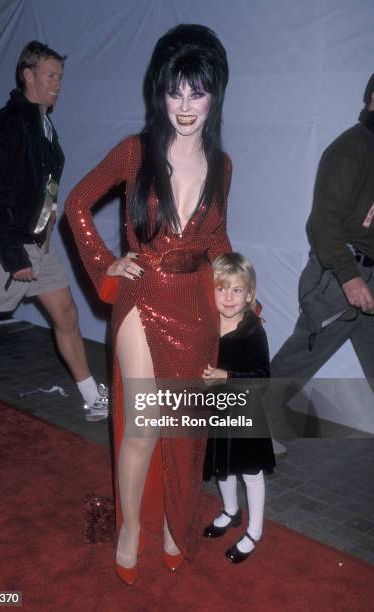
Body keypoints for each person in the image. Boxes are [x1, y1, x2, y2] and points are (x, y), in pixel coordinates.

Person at [65, 24, 231, 584]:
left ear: (215, 94)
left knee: (181, 428)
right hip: (143, 295)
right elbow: (77, 204)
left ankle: (171, 524)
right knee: (143, 426)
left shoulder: (222, 165)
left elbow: (217, 242)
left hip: (196, 305)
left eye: (197, 92)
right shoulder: (135, 152)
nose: (184, 106)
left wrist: (240, 300)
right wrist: (103, 262)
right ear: (159, 92)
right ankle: (130, 526)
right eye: (174, 91)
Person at [0, 42, 108, 424]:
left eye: (60, 77)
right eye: (51, 76)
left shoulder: (44, 125)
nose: (58, 84)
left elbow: (44, 190)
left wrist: (46, 232)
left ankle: (91, 396)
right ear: (29, 75)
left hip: (34, 245)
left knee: (66, 314)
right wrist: (14, 256)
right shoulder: (2, 125)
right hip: (2, 245)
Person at [270, 74, 374, 431]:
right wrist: (350, 278)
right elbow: (322, 223)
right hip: (340, 278)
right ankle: (245, 431)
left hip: (367, 277)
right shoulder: (351, 148)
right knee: (300, 358)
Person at [202, 253, 275, 563]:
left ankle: (255, 529)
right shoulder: (207, 323)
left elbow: (263, 378)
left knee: (250, 471)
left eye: (236, 290)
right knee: (223, 465)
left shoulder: (252, 330)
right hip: (217, 410)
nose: (229, 297)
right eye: (221, 288)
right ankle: (230, 510)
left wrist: (226, 376)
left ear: (250, 294)